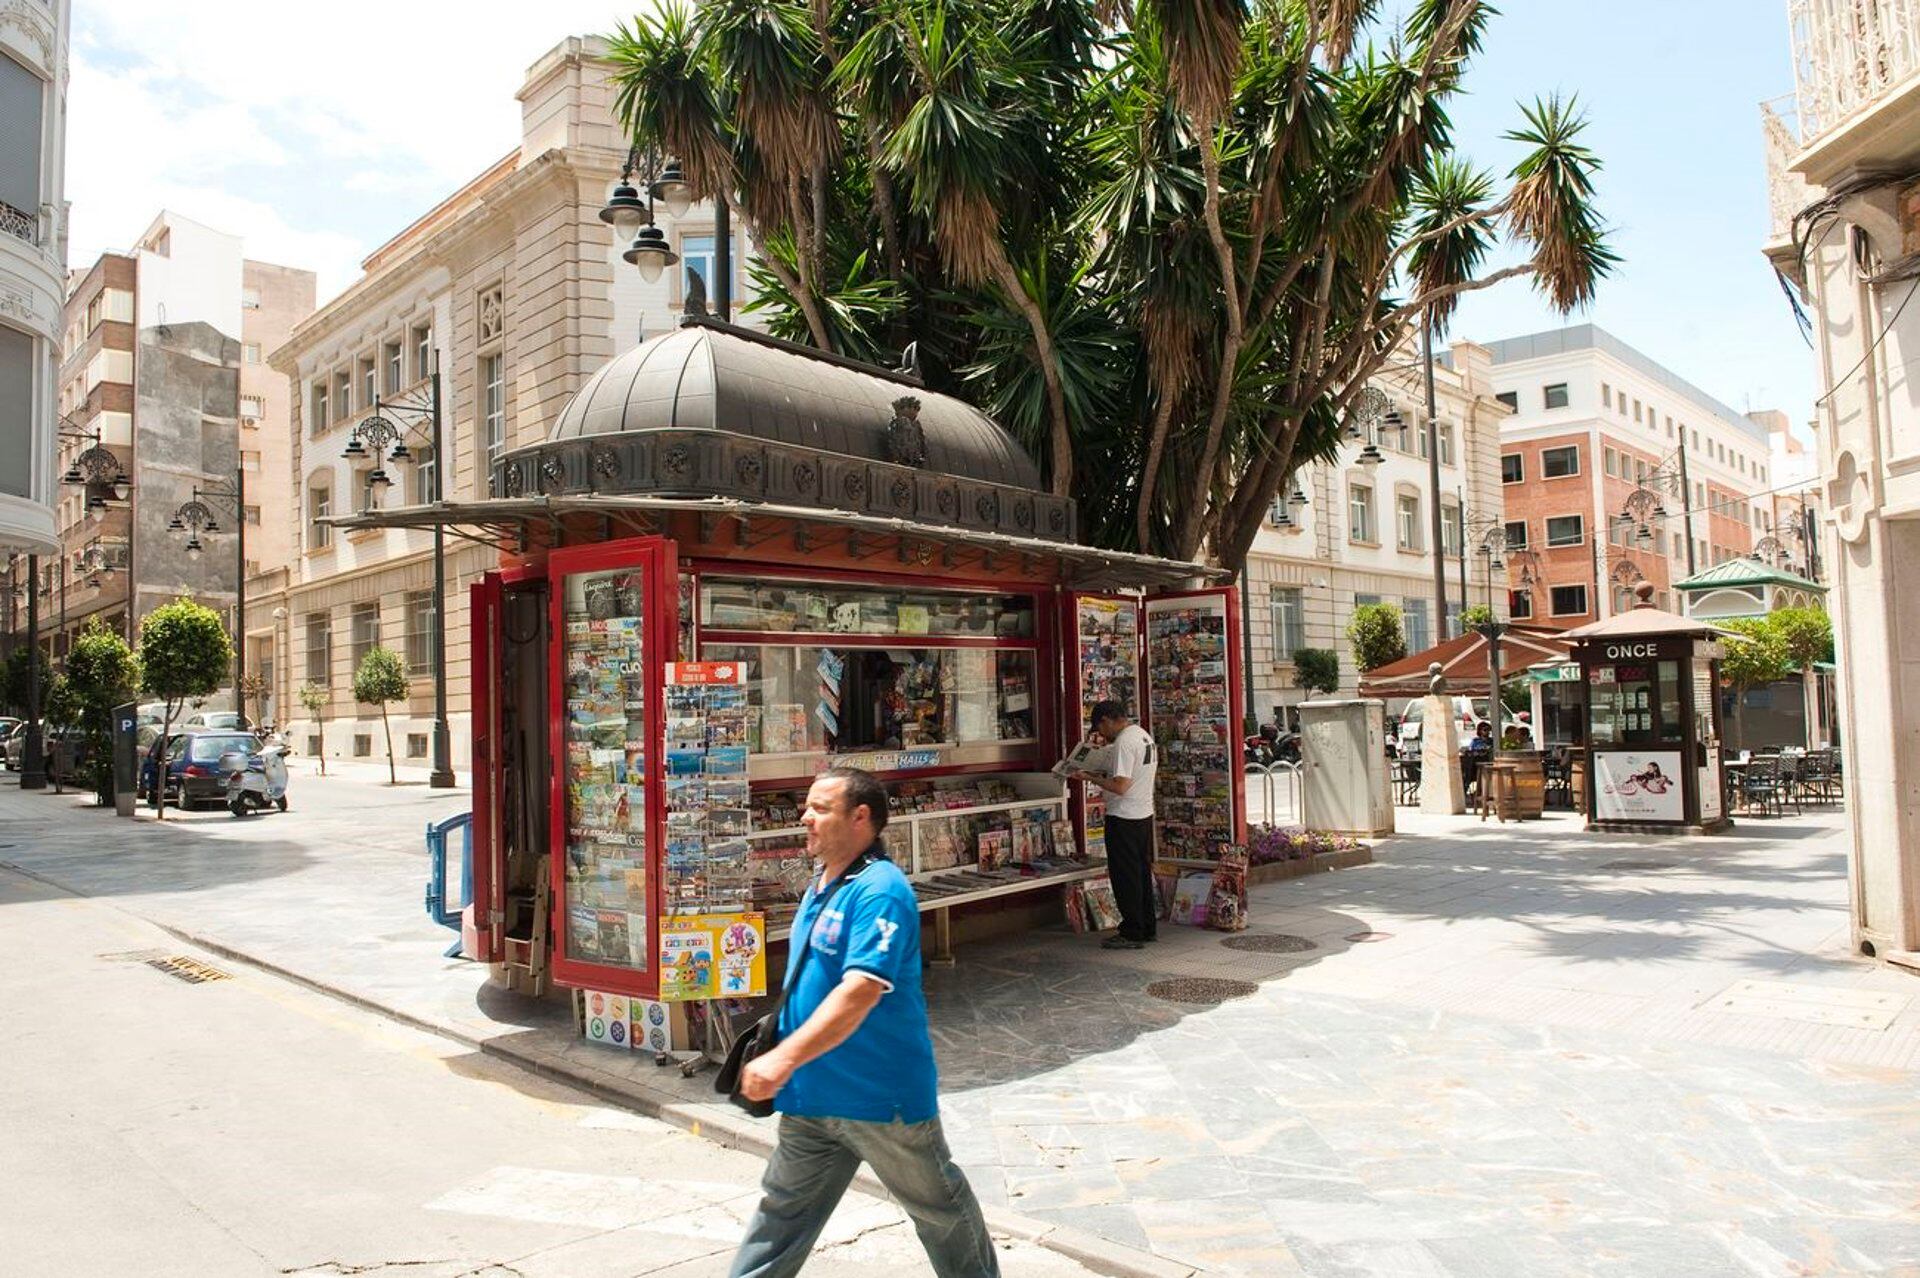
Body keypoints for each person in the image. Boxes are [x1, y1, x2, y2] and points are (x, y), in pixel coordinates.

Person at [730, 767, 999, 1278]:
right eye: (806, 807)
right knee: (781, 1217)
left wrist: (782, 1056)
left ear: (861, 818)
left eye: (820, 809)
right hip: (811, 1096)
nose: (805, 818)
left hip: (879, 1099)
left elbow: (861, 990)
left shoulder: (881, 890)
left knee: (940, 1212)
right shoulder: (823, 883)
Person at [1074, 700, 1158, 951]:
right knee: (1141, 873)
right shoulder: (1143, 736)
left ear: (1107, 720)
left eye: (1100, 729)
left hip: (1124, 816)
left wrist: (1090, 777)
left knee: (1125, 876)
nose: (1102, 735)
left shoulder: (1123, 742)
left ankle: (1132, 931)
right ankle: (1146, 926)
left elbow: (1121, 786)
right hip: (1143, 813)